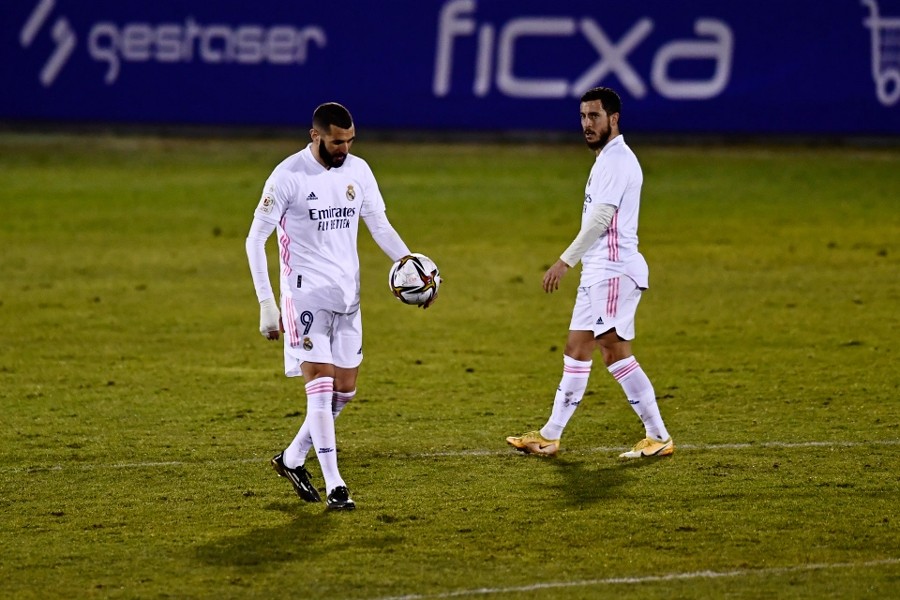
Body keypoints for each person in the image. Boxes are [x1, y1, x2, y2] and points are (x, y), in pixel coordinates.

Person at [245, 102, 433, 510]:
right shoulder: (287, 177)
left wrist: (410, 265)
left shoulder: (358, 171)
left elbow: (379, 225)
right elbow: (253, 240)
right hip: (304, 296)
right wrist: (267, 303)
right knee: (322, 387)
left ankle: (293, 458)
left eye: (349, 140)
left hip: (349, 298)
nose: (343, 148)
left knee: (345, 391)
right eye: (336, 141)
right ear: (315, 136)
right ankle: (336, 486)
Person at [506, 87, 674, 459]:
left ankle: (658, 435)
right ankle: (550, 435)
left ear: (613, 119)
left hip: (613, 271)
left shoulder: (617, 161)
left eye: (594, 116)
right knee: (576, 349)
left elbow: (600, 219)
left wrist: (564, 261)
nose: (586, 124)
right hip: (597, 272)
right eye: (583, 116)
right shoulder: (605, 159)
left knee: (613, 351)